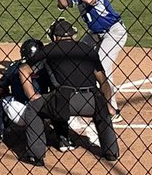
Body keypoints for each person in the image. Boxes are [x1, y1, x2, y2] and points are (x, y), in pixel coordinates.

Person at [16, 18, 119, 166]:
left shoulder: (50, 49)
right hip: (92, 100)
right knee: (103, 111)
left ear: (55, 37)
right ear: (73, 35)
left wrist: (32, 96)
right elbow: (103, 82)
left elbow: (23, 70)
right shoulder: (88, 49)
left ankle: (36, 156)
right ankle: (111, 152)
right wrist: (107, 104)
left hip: (64, 101)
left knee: (33, 108)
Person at [56, 0, 127, 120]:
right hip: (95, 33)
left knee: (102, 65)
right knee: (76, 56)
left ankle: (112, 110)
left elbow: (90, 0)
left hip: (113, 32)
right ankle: (78, 96)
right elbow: (63, 5)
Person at [0, 37, 49, 151]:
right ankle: (63, 139)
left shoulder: (15, 66)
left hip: (20, 114)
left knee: (0, 99)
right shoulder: (48, 67)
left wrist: (3, 92)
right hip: (43, 112)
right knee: (59, 96)